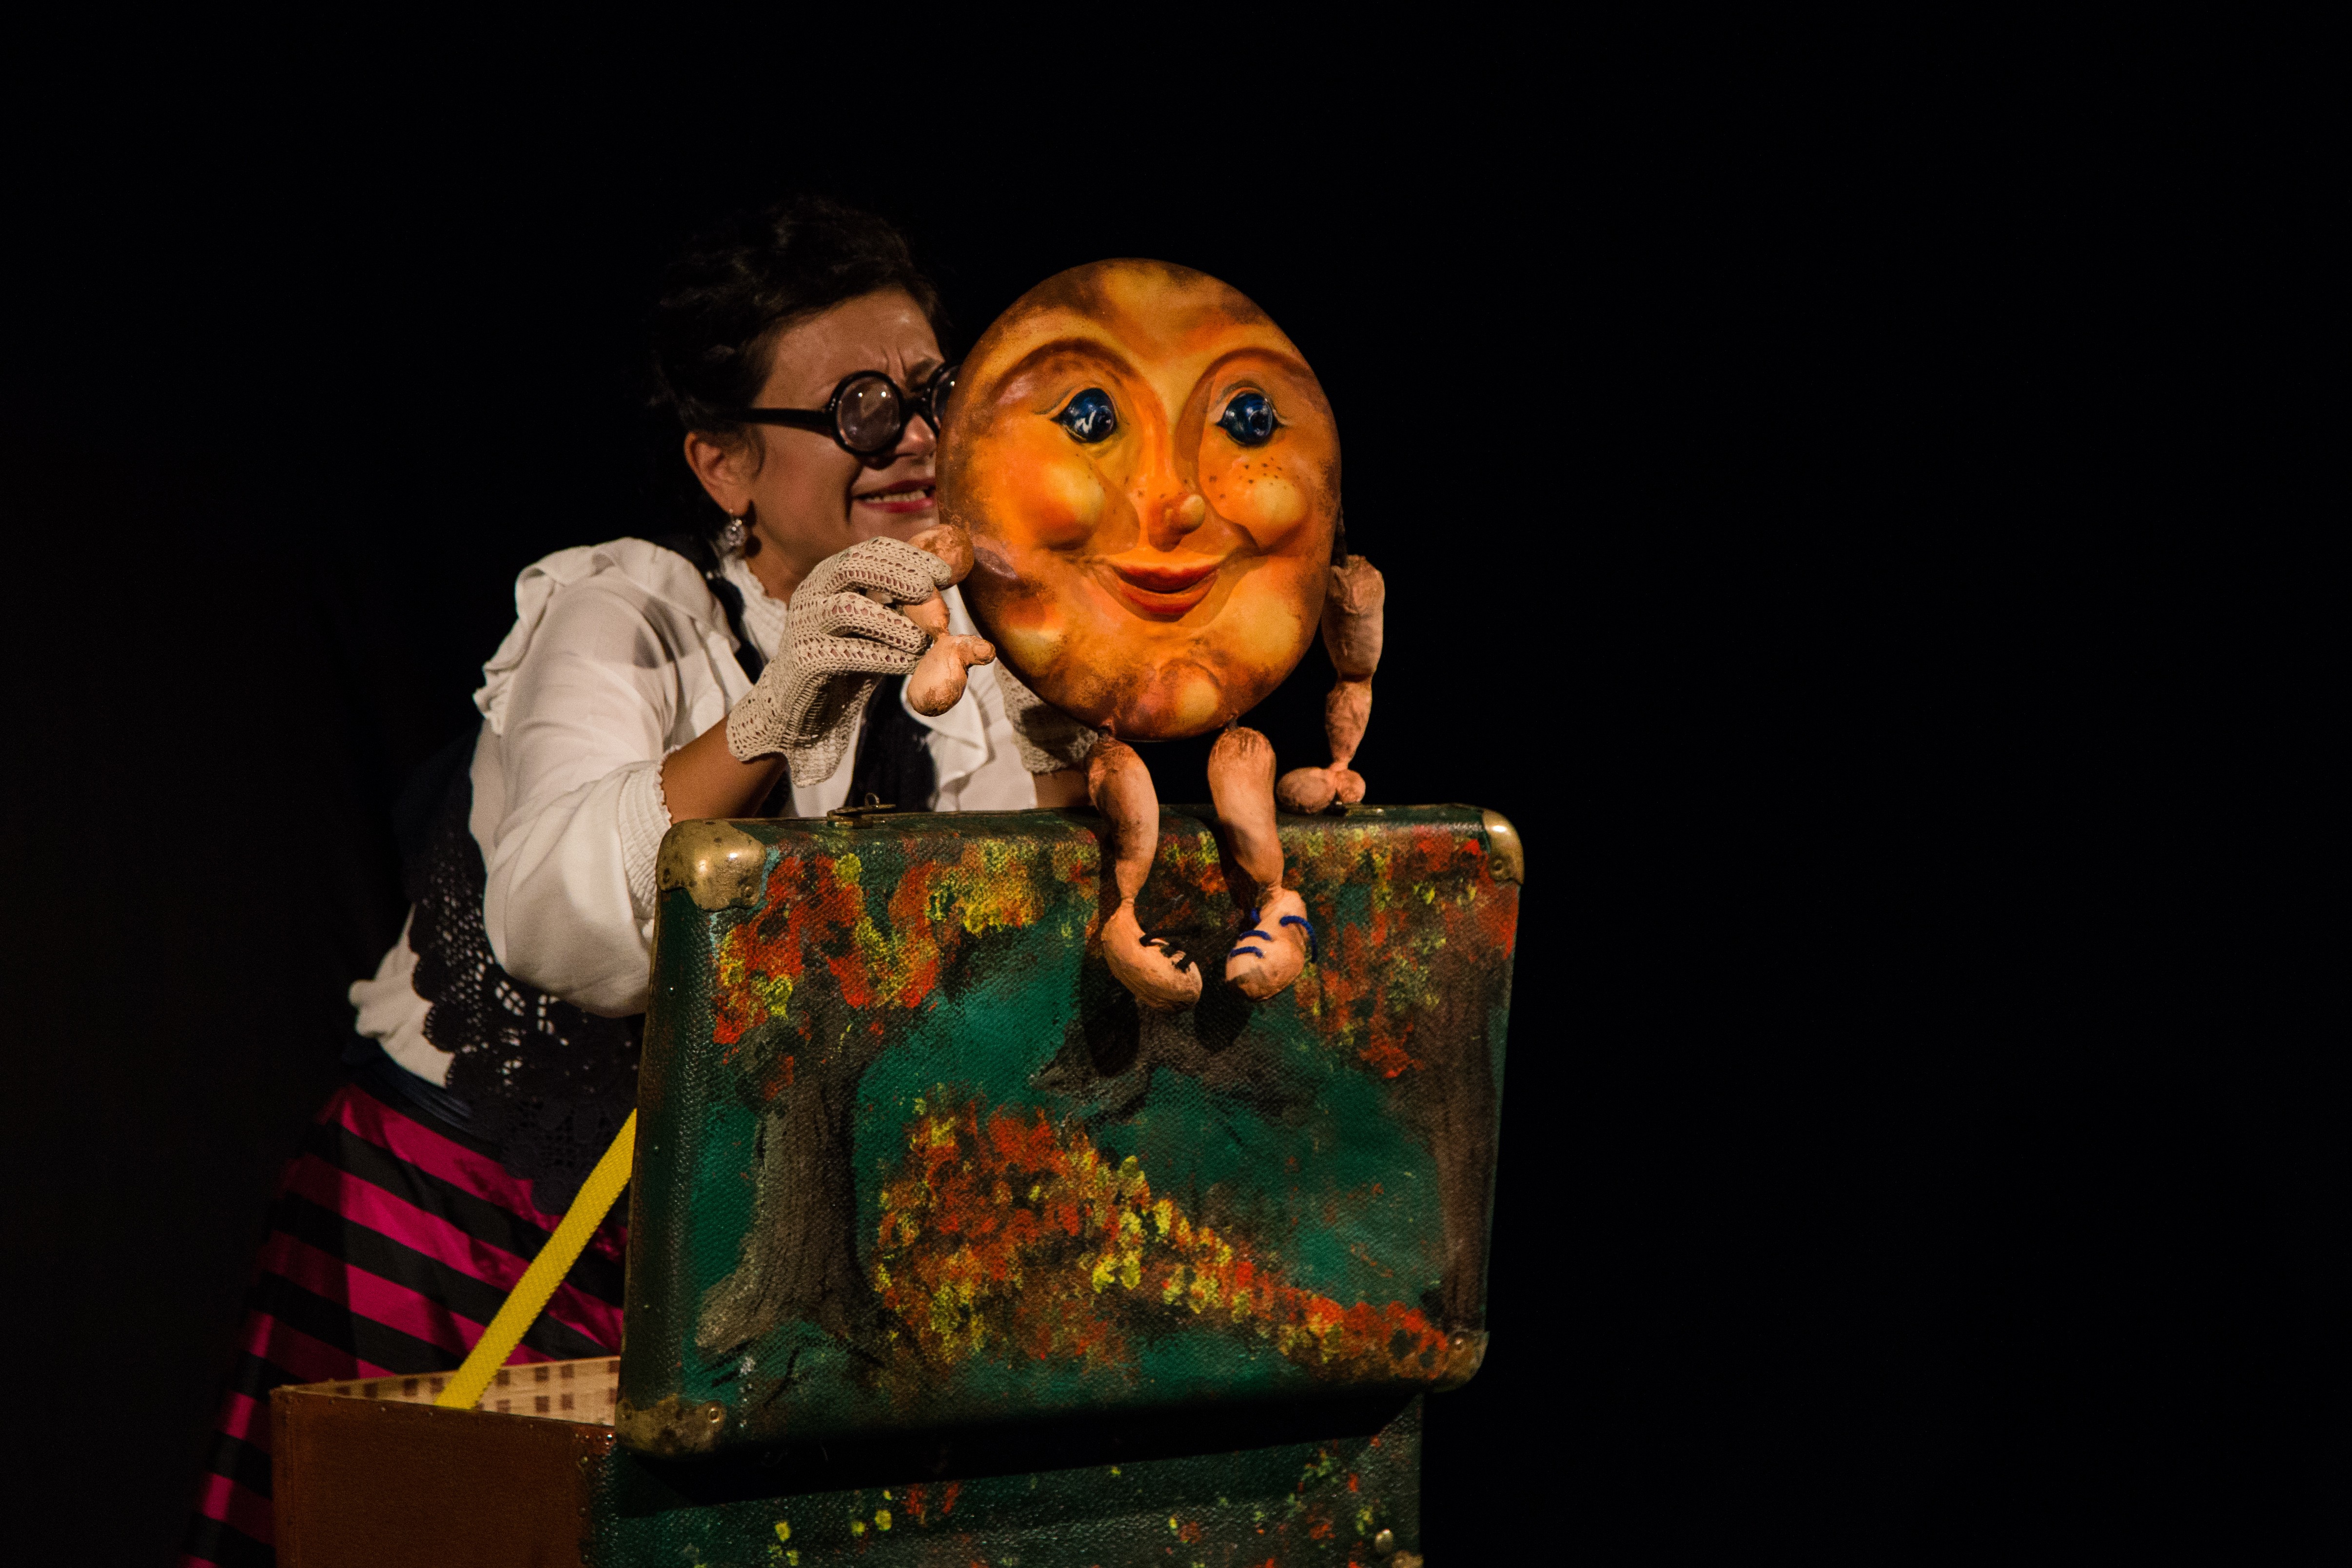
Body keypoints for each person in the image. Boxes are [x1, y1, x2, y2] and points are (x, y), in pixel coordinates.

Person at [183, 196, 1058, 1568]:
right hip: (458, 1228)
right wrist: (780, 709)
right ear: (724, 464)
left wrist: (1076, 724)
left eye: (935, 395)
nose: (914, 442)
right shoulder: (629, 612)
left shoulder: (970, 660)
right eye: (859, 409)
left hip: (715, 1265)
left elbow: (1010, 941)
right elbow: (559, 916)